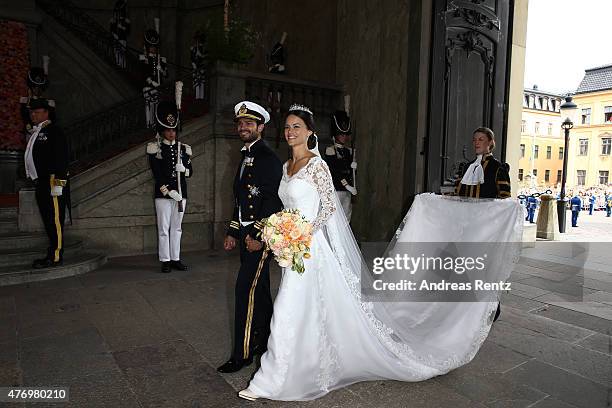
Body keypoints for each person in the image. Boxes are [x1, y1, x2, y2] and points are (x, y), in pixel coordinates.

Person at [237, 107, 522, 402]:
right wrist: (281, 231)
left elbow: (329, 207)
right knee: (301, 308)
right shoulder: (286, 168)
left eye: (297, 126)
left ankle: (268, 380)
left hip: (310, 248)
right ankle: (298, 365)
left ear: (310, 132)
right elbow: (286, 208)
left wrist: (304, 232)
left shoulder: (317, 166)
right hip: (292, 249)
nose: (290, 131)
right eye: (287, 127)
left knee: (287, 307)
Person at [217, 101, 283, 374]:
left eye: (249, 123)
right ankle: (263, 340)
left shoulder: (268, 157)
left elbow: (272, 201)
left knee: (244, 289)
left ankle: (241, 353)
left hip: (260, 235)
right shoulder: (245, 156)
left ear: (261, 127)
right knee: (261, 290)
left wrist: (257, 235)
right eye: (240, 123)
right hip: (245, 232)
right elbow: (241, 199)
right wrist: (234, 231)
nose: (243, 127)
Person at [147, 95, 192, 273]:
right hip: (164, 196)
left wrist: (184, 170)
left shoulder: (183, 148)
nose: (171, 133)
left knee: (177, 228)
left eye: (173, 129)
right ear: (162, 130)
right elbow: (157, 175)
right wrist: (169, 191)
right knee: (164, 229)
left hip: (182, 194)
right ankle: (165, 260)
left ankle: (175, 258)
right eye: (167, 130)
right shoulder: (156, 148)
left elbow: (191, 171)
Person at [24, 98, 69, 268]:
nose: (32, 115)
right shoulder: (37, 132)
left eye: (36, 112)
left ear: (46, 113)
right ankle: (52, 252)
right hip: (41, 182)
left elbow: (62, 159)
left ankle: (56, 255)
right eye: (31, 112)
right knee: (48, 219)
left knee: (55, 220)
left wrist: (59, 184)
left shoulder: (54, 131)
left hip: (52, 181)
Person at [324, 110, 357, 220]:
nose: (343, 137)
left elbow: (350, 173)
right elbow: (335, 171)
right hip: (336, 189)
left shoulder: (349, 151)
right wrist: (346, 185)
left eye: (345, 134)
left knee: (347, 218)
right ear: (336, 135)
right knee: (335, 218)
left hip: (348, 190)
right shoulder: (330, 150)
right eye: (341, 134)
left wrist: (353, 168)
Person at [139, 19, 167, 128]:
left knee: (156, 105)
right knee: (148, 105)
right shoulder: (144, 58)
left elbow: (166, 75)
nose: (153, 49)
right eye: (151, 47)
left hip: (158, 86)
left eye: (154, 47)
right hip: (148, 86)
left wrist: (161, 70)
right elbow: (144, 73)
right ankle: (148, 124)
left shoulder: (161, 59)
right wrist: (152, 82)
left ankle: (155, 123)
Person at [109, 0, 131, 68]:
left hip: (122, 39)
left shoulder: (126, 21)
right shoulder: (114, 20)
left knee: (122, 53)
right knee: (116, 53)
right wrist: (113, 32)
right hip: (116, 38)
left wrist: (122, 27)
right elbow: (112, 30)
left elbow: (128, 31)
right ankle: (118, 66)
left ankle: (123, 67)